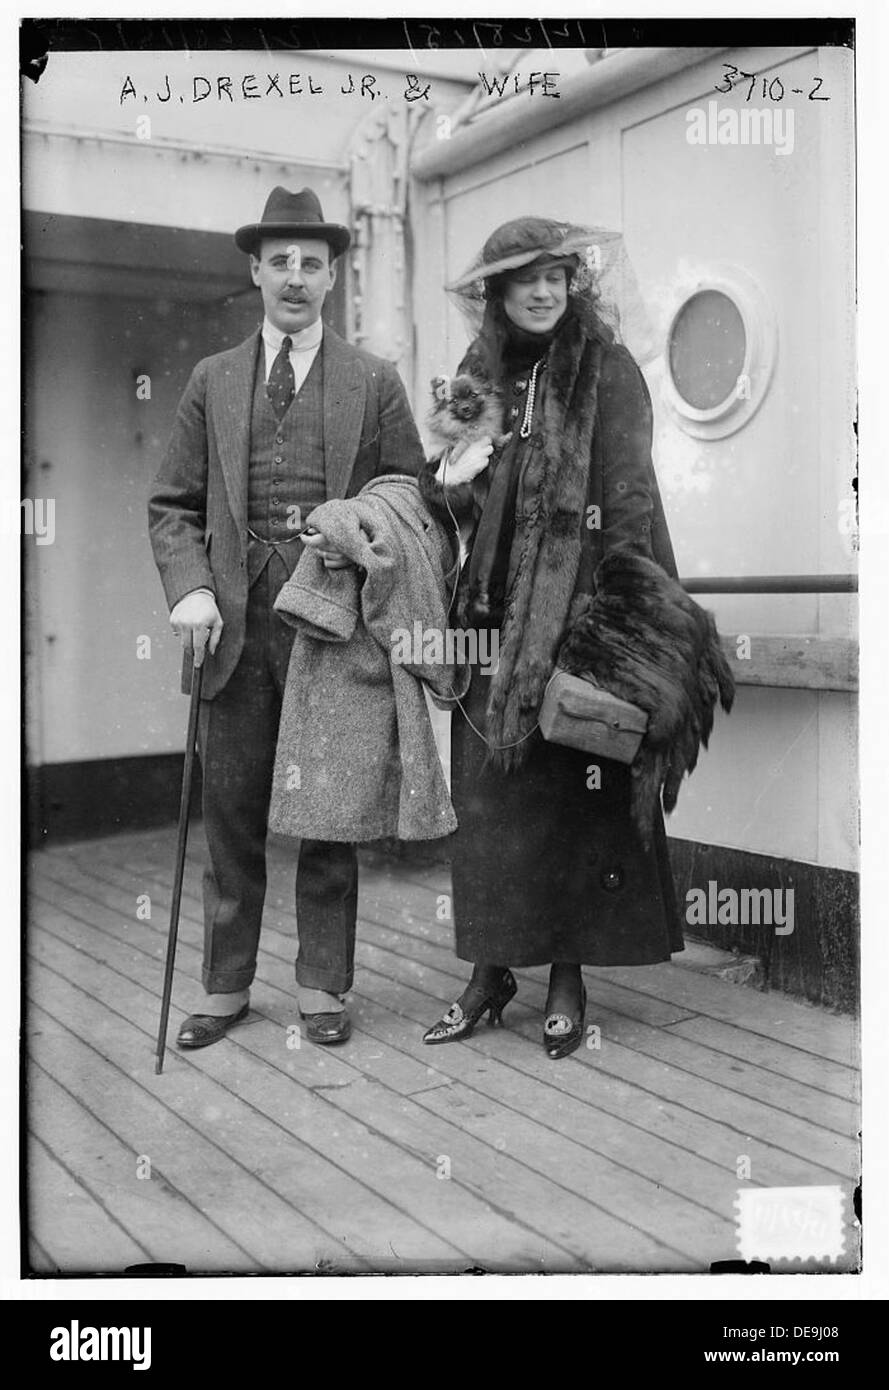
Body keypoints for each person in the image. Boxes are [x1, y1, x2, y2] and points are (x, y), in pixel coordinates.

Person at [148, 186, 425, 1049]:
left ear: (333, 275)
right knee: (230, 815)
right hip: (231, 634)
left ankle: (321, 988)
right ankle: (226, 988)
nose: (296, 278)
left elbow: (413, 497)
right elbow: (171, 505)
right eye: (281, 263)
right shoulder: (212, 380)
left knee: (328, 814)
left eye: (312, 264)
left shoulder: (372, 381)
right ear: (255, 271)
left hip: (330, 631)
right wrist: (190, 589)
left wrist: (357, 531)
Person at [418, 216, 683, 1059]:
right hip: (487, 620)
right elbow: (453, 510)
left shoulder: (607, 372)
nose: (541, 292)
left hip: (576, 613)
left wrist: (607, 628)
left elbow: (629, 508)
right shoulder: (475, 374)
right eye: (523, 279)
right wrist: (457, 477)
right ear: (495, 292)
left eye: (555, 277)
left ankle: (568, 974)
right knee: (492, 801)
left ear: (574, 285)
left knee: (576, 794)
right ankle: (490, 971)